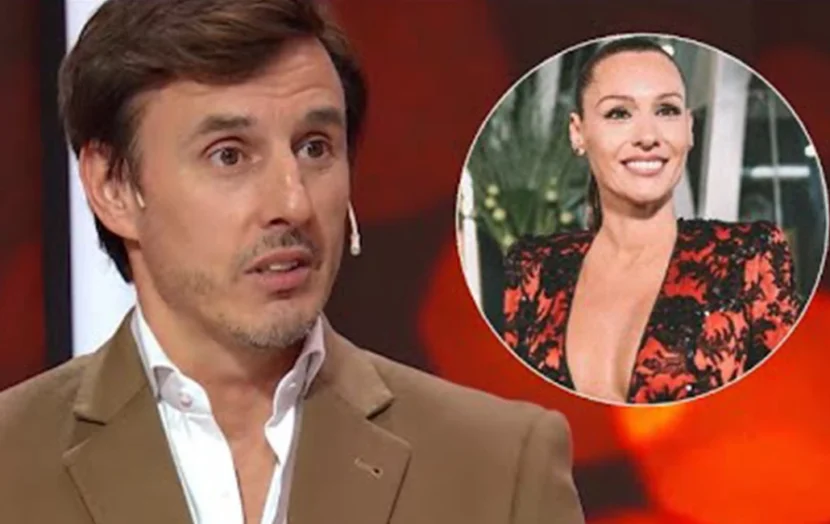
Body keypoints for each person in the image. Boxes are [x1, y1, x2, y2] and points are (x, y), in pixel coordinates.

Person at [0, 1, 584, 523]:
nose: (294, 203)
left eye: (314, 147)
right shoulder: (13, 461)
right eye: (229, 155)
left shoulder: (500, 465)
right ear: (114, 187)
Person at [503, 37, 803, 405]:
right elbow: (512, 414)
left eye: (666, 110)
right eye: (619, 113)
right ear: (578, 132)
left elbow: (793, 407)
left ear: (689, 129)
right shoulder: (533, 268)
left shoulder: (750, 257)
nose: (648, 137)